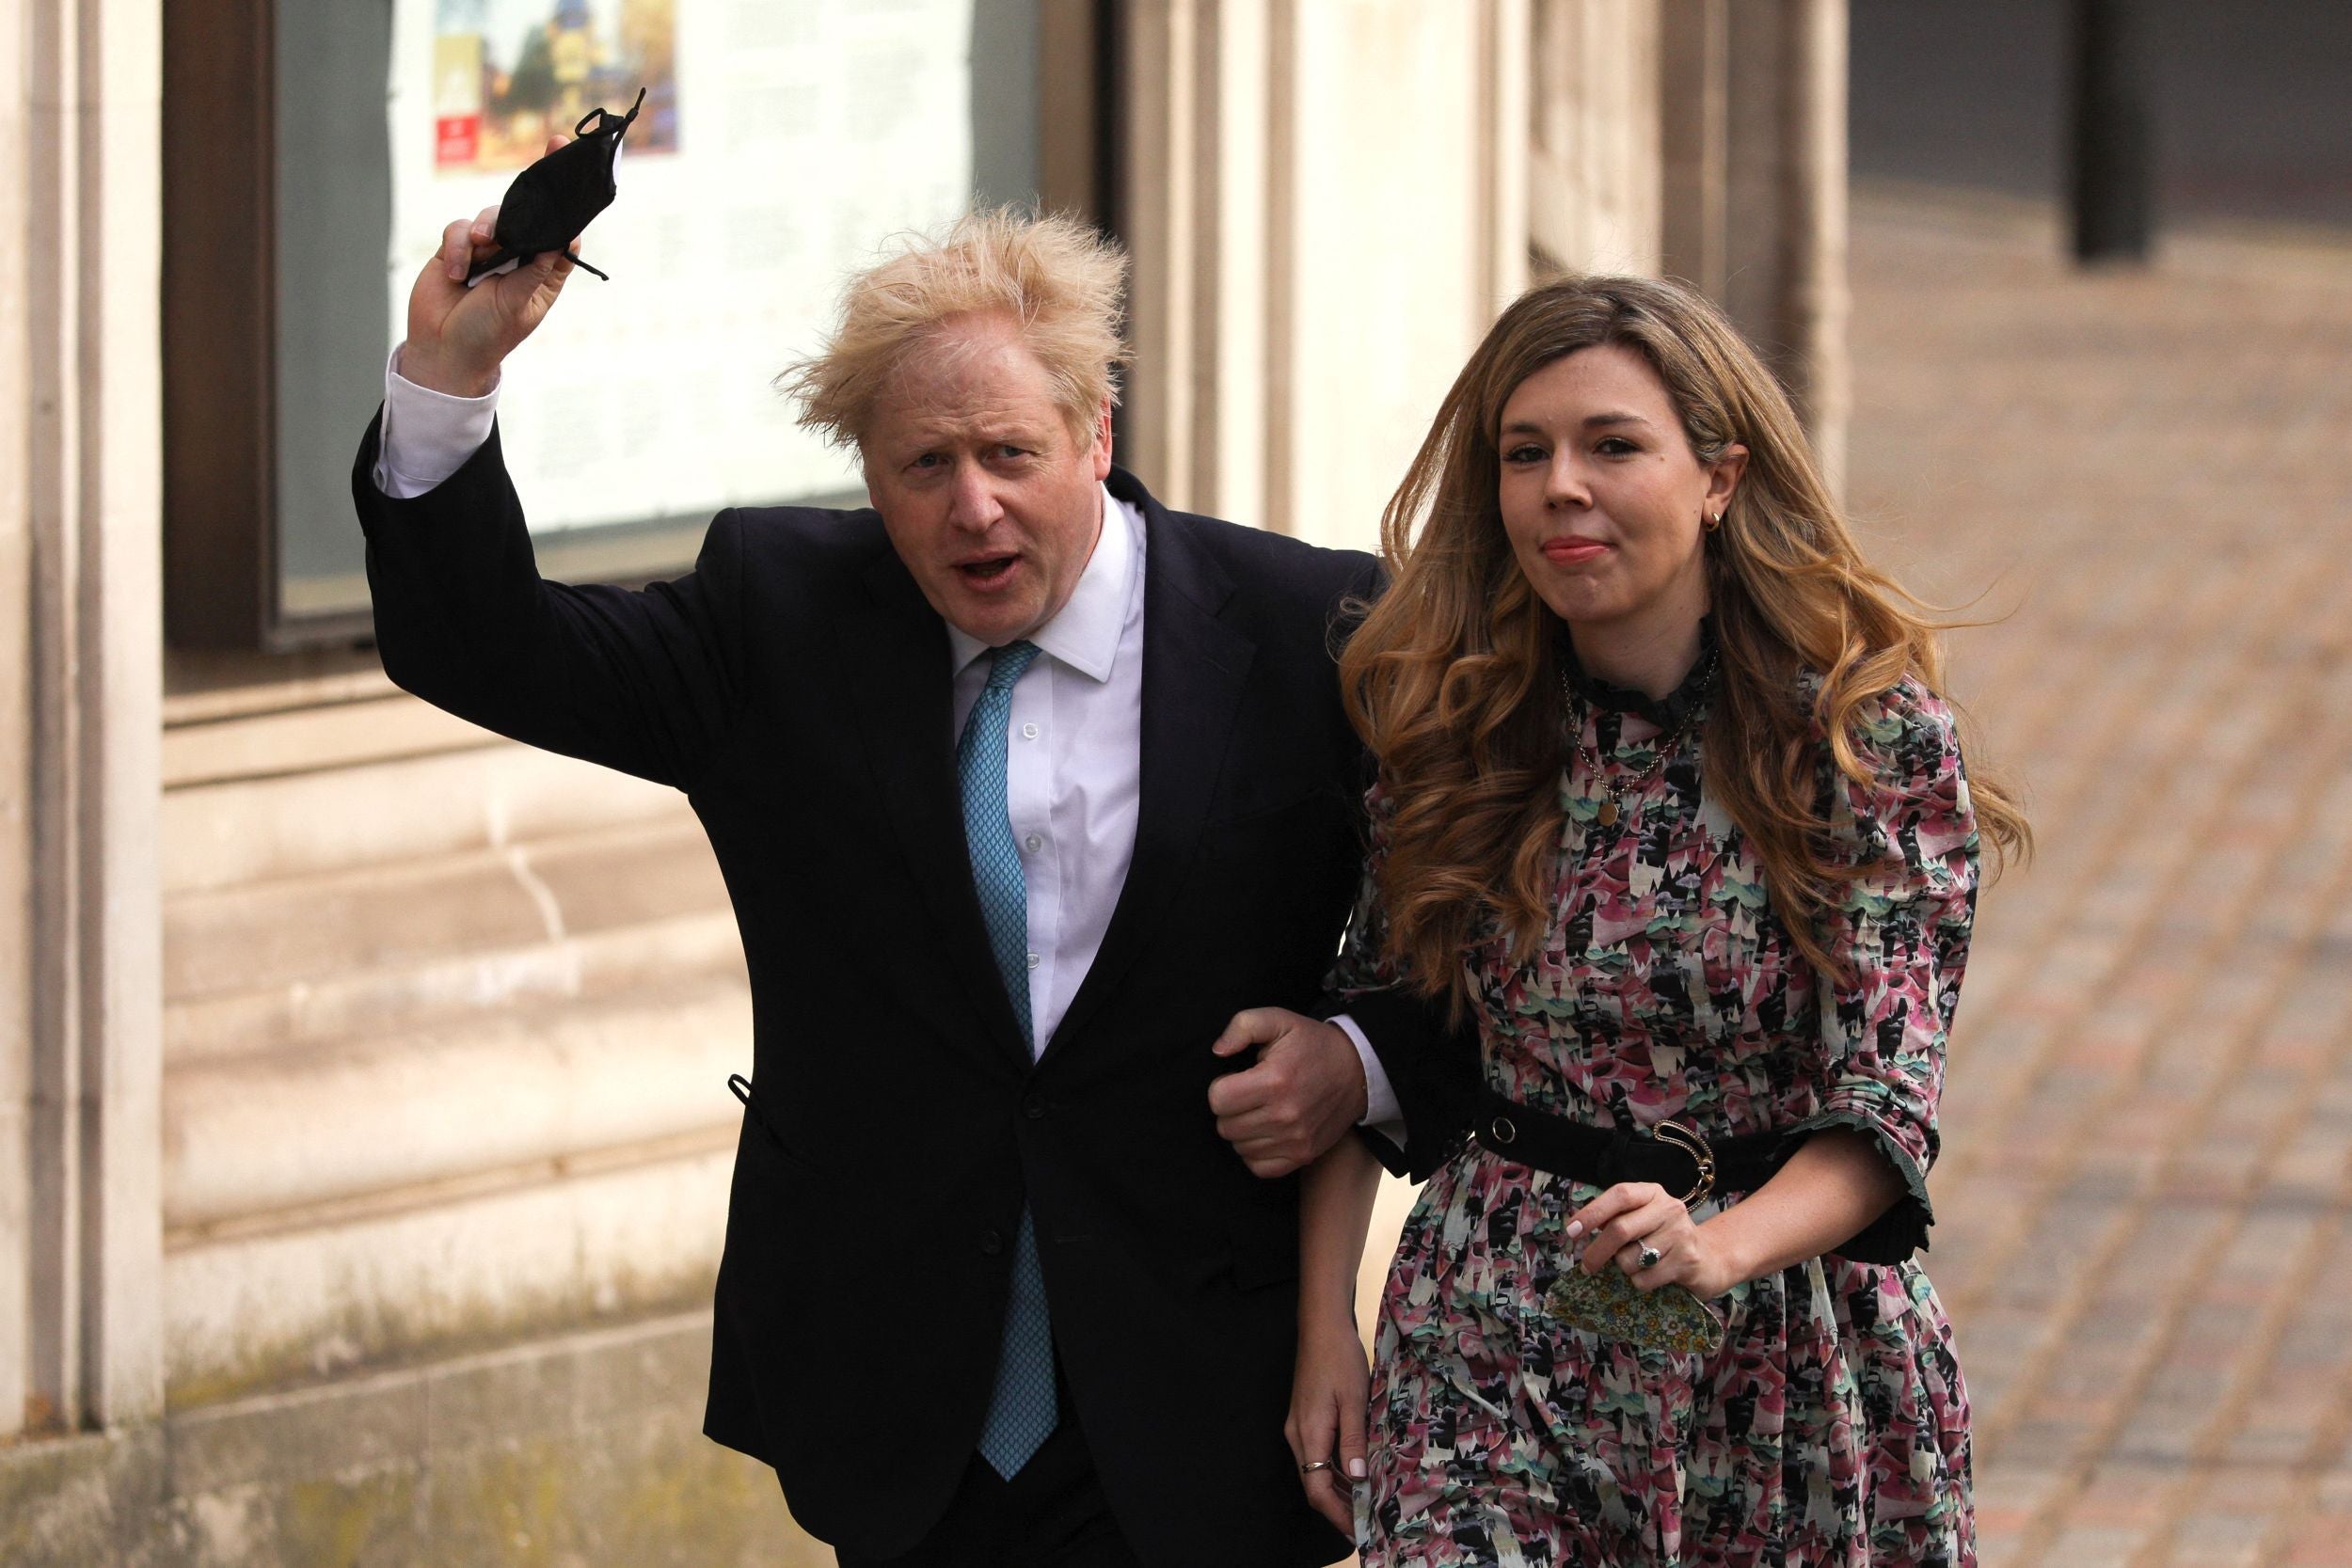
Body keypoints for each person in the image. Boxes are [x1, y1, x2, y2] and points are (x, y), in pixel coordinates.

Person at [353, 196, 1464, 1568]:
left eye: (1009, 453)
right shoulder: (779, 617)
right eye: (923, 465)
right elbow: (486, 649)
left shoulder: (1314, 631)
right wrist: (452, 375)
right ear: (867, 477)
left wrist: (1359, 1062)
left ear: (1095, 436)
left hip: (1204, 1398)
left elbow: (1498, 916)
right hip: (899, 1405)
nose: (973, 507)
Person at [1283, 273, 2031, 1567]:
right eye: (1526, 455)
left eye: (1612, 445)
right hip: (1493, 1332)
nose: (1560, 486)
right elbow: (1386, 1026)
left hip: (1782, 1340)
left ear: (1720, 478)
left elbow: (1884, 1113)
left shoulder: (1866, 743)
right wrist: (1322, 1333)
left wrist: (1712, 1249)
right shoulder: (1454, 720)